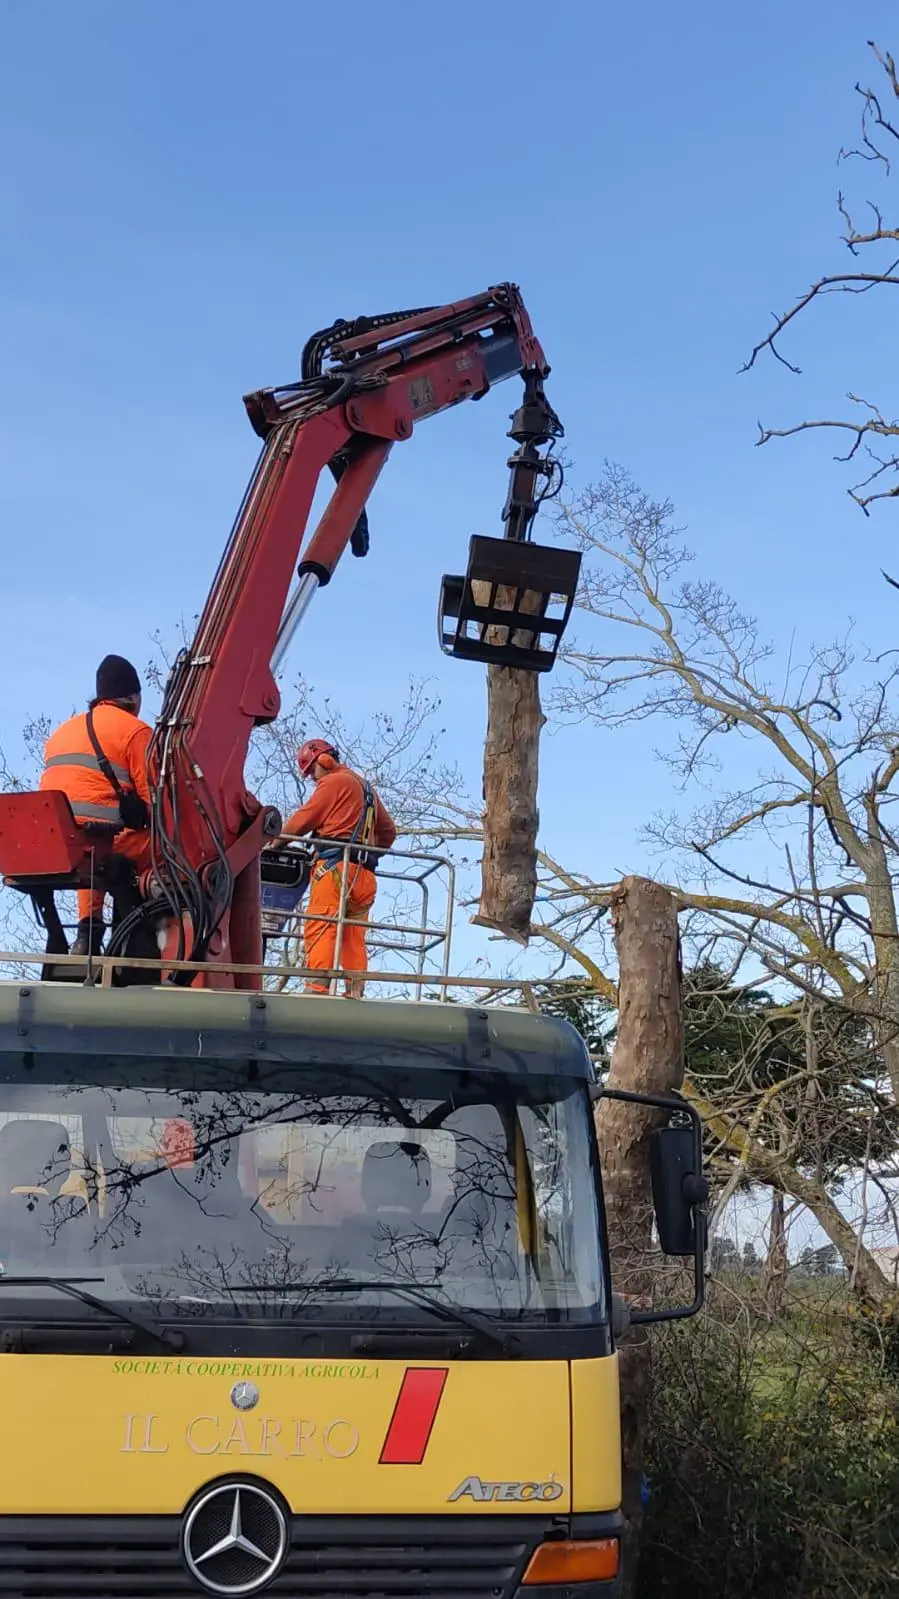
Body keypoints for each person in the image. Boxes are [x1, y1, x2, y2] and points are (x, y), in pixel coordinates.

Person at [39, 654, 153, 956]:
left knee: (88, 846)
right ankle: (141, 931)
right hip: (101, 843)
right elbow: (155, 802)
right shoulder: (136, 732)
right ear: (134, 697)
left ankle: (87, 931)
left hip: (55, 844)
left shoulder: (60, 733)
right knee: (162, 841)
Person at [281, 739, 397, 995]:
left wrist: (272, 843)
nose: (312, 777)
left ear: (324, 760)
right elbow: (389, 832)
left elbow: (300, 822)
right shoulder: (366, 789)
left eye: (312, 770)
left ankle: (316, 990)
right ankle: (355, 990)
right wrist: (365, 849)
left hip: (334, 869)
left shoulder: (333, 782)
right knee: (353, 934)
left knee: (321, 925)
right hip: (365, 875)